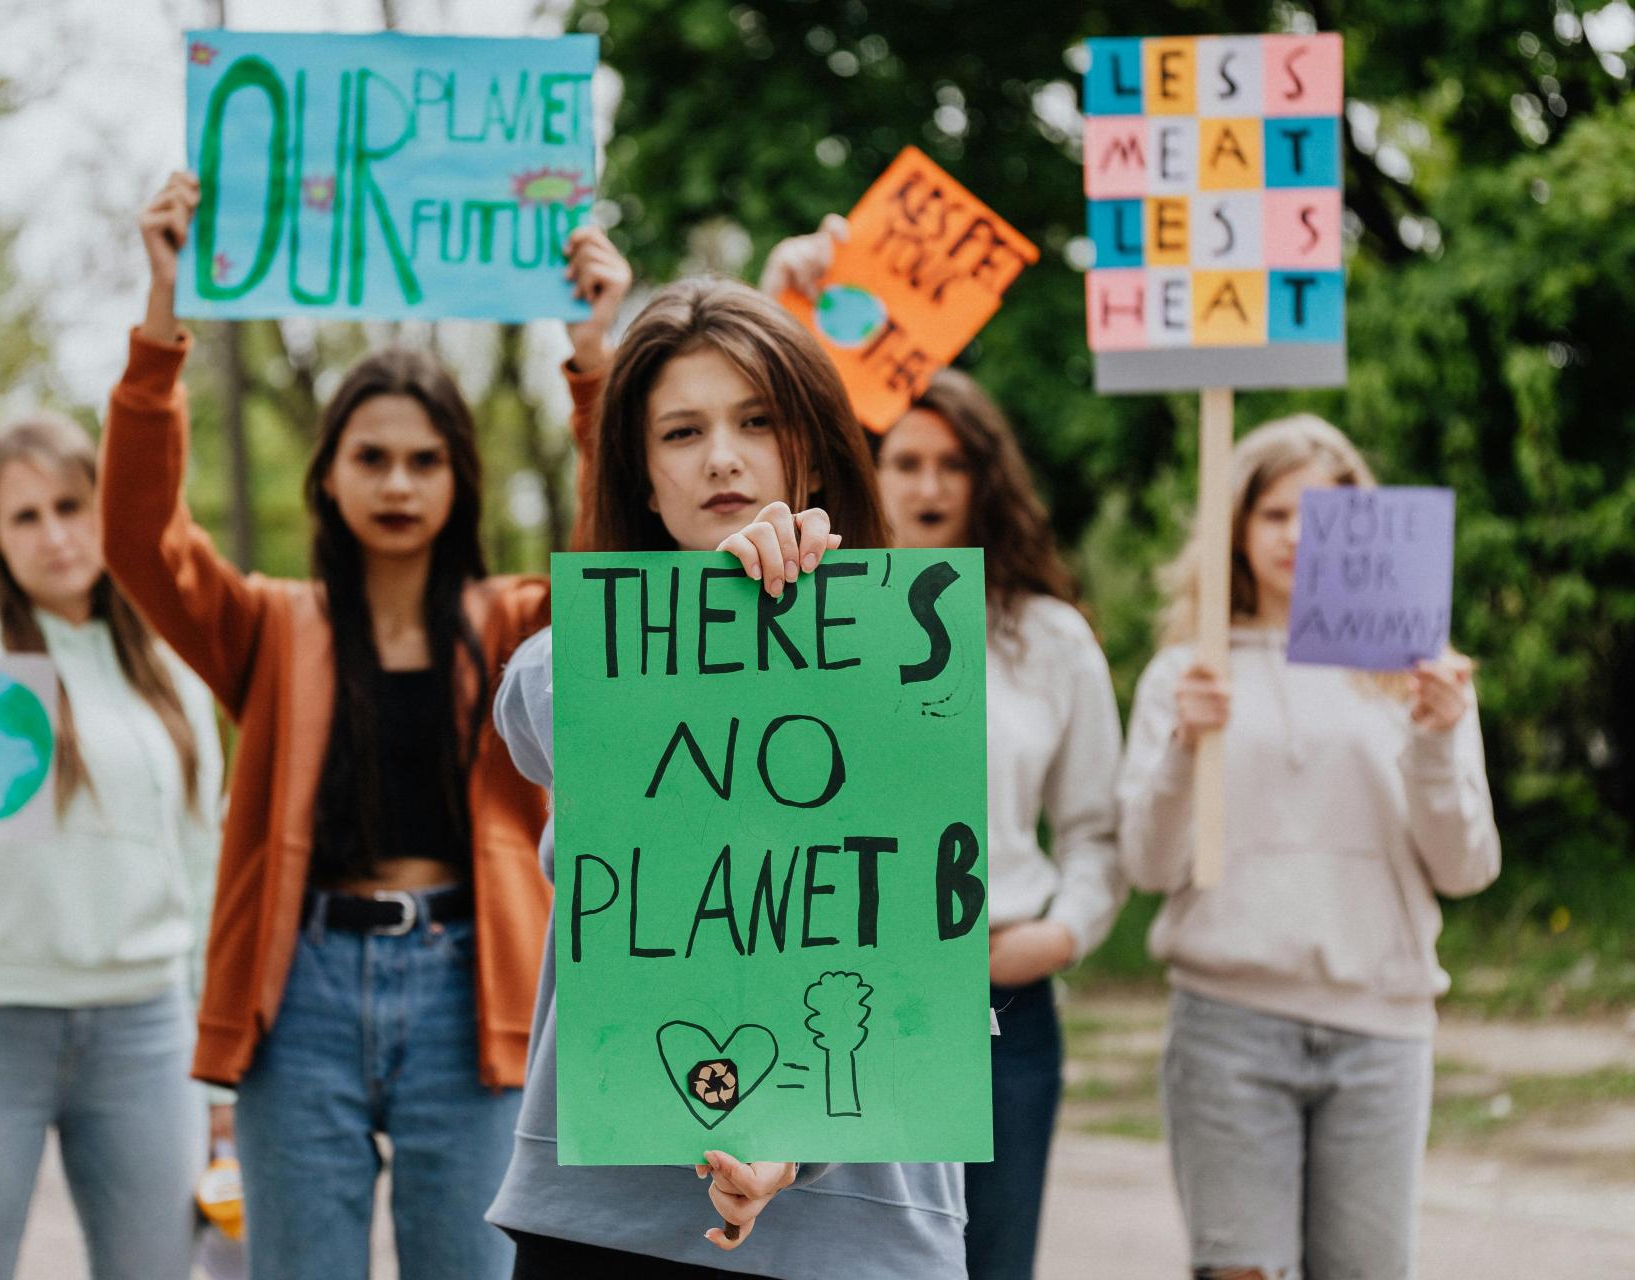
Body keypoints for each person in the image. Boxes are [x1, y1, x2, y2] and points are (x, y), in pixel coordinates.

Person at [98, 171, 628, 1280]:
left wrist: (593, 358)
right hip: (302, 995)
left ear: (459, 480)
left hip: (472, 990)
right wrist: (162, 313)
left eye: (424, 460)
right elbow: (141, 542)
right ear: (329, 475)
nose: (397, 483)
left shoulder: (518, 622)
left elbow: (618, 572)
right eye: (371, 458)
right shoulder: (269, 626)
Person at [487, 275, 972, 1278]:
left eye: (756, 420)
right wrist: (708, 611)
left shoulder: (910, 650)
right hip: (605, 1220)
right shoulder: (591, 657)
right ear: (642, 478)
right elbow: (527, 712)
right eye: (680, 432)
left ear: (814, 448)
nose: (721, 456)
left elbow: (910, 951)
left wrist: (801, 1142)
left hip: (859, 1229)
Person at [762, 219, 1127, 1280]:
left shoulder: (1048, 638)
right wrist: (782, 306)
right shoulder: (802, 622)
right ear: (865, 468)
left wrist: (1059, 934)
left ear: (983, 479)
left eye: (949, 464)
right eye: (904, 460)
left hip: (1000, 1005)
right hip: (836, 994)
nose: (925, 485)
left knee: (991, 1264)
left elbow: (1097, 830)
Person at [1116, 415, 1501, 1279]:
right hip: (1226, 1026)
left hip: (1378, 1028)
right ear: (1236, 529)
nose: (1295, 536)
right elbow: (1145, 864)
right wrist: (1183, 748)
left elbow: (1465, 867)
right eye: (1274, 514)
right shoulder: (1185, 674)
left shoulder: (1417, 672)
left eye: (1320, 515)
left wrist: (1434, 741)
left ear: (1364, 529)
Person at [0, 413, 225, 1280]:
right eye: (25, 516)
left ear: (107, 509)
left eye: (71, 506)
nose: (55, 535)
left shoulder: (171, 668)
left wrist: (216, 1069)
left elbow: (203, 868)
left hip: (145, 1029)